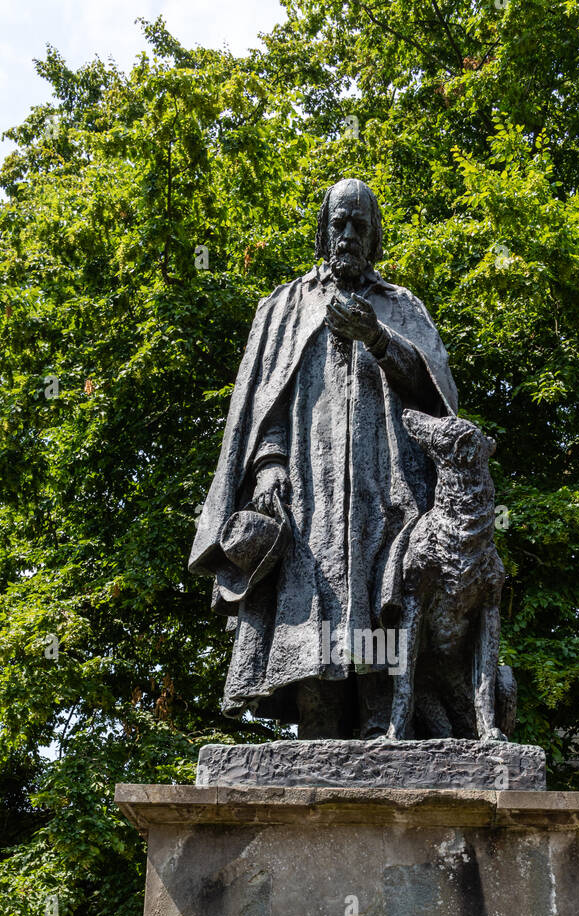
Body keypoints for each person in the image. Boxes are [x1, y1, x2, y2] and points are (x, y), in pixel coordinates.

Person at [189, 178, 458, 737]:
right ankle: (316, 737)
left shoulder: (400, 306)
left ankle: (388, 727)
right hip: (307, 494)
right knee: (312, 606)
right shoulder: (286, 307)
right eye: (339, 223)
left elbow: (439, 403)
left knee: (383, 595)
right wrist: (268, 464)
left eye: (360, 225)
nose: (348, 235)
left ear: (375, 236)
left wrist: (379, 339)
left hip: (386, 489)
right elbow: (269, 404)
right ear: (322, 230)